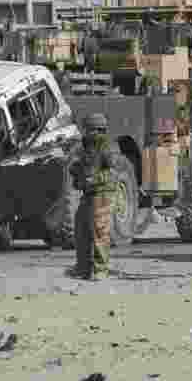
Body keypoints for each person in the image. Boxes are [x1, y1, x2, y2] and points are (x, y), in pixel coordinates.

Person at [68, 113, 119, 281]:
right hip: (89, 193)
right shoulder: (85, 146)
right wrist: (76, 171)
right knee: (81, 229)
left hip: (103, 192)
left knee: (99, 230)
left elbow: (113, 171)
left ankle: (100, 269)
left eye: (90, 130)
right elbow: (77, 166)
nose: (87, 133)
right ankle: (83, 267)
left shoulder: (107, 146)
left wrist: (93, 179)